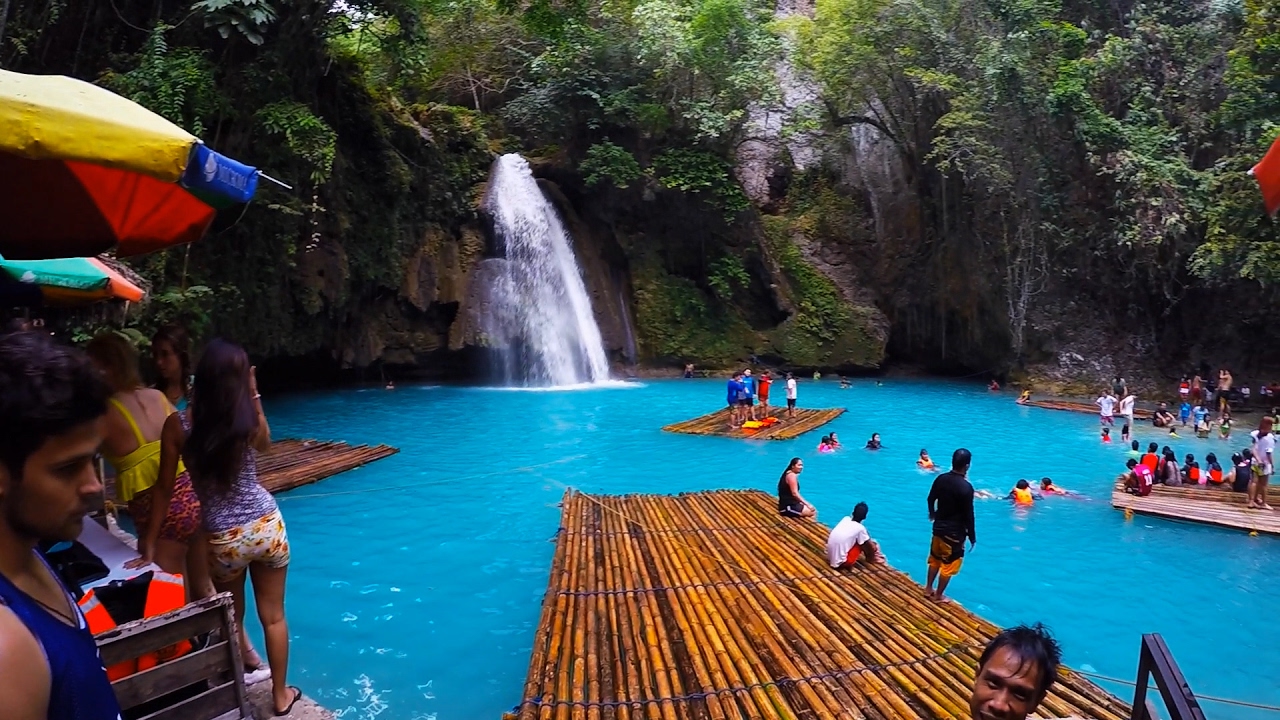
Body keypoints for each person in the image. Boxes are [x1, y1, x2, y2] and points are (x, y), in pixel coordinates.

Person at [161, 339, 300, 714]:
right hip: (268, 526)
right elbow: (267, 445)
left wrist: (148, 542)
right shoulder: (244, 420)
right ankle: (280, 695)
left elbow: (163, 489)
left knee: (233, 617)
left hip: (223, 538)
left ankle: (239, 683)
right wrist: (254, 395)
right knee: (274, 615)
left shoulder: (179, 425)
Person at [0, 331, 125, 720]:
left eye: (93, 460)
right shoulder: (9, 652)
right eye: (67, 468)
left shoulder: (31, 551)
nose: (92, 486)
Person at [84, 334, 207, 591]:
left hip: (163, 518)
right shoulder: (157, 397)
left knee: (174, 599)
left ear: (104, 367)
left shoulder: (102, 415)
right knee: (205, 589)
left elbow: (75, 456)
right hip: (195, 502)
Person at [925, 448, 976, 602]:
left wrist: (932, 513)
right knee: (949, 565)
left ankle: (928, 589)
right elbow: (969, 515)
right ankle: (939, 596)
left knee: (935, 558)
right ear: (967, 466)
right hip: (954, 534)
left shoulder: (941, 479)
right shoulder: (966, 488)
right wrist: (972, 537)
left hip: (938, 529)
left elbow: (930, 498)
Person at [826, 502, 886, 569]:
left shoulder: (845, 519)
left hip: (829, 557)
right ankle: (871, 560)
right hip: (841, 563)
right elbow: (869, 546)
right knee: (867, 543)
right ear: (864, 517)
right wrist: (871, 555)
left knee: (862, 538)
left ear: (853, 513)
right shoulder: (860, 528)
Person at [150, 324, 192, 412]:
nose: (159, 361)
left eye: (165, 354)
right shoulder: (151, 396)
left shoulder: (199, 389)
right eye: (155, 355)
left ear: (181, 355)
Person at [1248, 416, 1275, 510]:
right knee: (1264, 484)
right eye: (1271, 425)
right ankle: (1264, 503)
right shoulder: (1270, 438)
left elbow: (1253, 449)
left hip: (1255, 462)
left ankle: (1252, 500)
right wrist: (1272, 465)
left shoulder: (1255, 433)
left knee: (1254, 482)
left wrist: (1258, 460)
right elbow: (1268, 453)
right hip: (1264, 464)